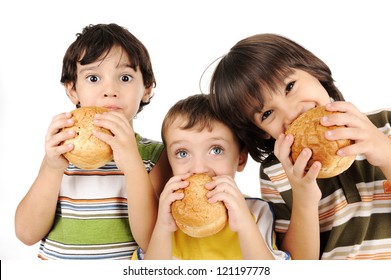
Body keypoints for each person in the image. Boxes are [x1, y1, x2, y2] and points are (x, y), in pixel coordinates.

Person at [208, 33, 391, 260]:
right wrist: (304, 197)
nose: (292, 113)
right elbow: (299, 264)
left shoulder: (385, 124)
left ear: (313, 72)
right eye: (267, 113)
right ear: (262, 132)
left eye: (290, 86)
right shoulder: (275, 173)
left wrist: (384, 152)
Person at [14, 23, 171, 259]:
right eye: (94, 78)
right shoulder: (62, 150)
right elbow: (26, 233)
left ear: (146, 89)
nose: (110, 90)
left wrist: (132, 165)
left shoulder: (155, 155)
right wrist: (51, 167)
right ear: (72, 90)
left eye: (125, 77)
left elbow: (152, 241)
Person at [132, 94, 290, 260]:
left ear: (241, 158)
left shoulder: (257, 213)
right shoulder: (162, 218)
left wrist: (245, 225)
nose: (199, 169)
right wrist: (163, 228)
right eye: (183, 153)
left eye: (216, 150)